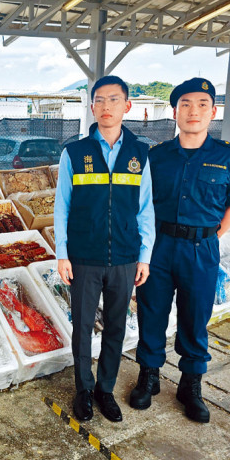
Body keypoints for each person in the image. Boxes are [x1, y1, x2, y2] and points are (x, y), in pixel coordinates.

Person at [130, 77, 230, 423]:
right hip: (160, 246)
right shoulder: (157, 157)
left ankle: (190, 384)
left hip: (201, 249)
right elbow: (142, 205)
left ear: (213, 111)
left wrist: (214, 235)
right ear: (175, 111)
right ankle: (148, 376)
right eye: (185, 104)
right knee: (151, 312)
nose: (192, 111)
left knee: (195, 317)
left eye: (200, 104)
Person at [54, 75, 155, 422]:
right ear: (92, 106)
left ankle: (104, 389)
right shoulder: (75, 152)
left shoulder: (140, 154)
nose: (106, 106)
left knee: (116, 327)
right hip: (84, 256)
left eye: (114, 99)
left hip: (125, 257)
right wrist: (62, 253)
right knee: (82, 327)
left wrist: (145, 256)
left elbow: (145, 210)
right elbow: (61, 207)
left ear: (127, 106)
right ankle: (83, 389)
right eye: (99, 100)